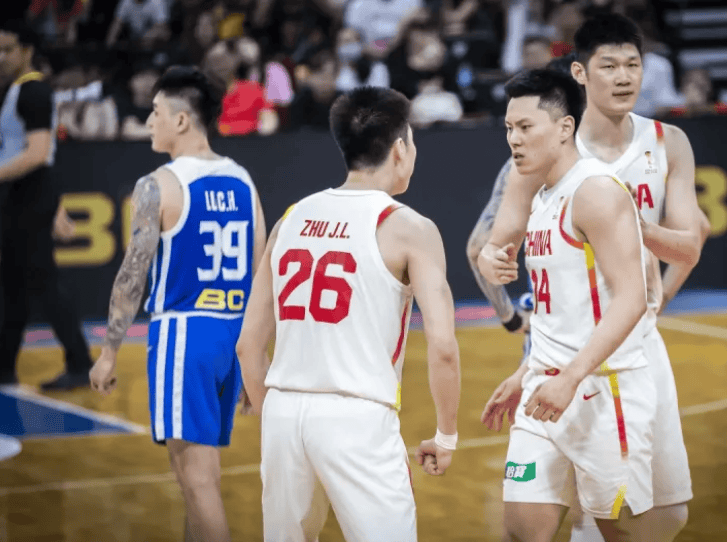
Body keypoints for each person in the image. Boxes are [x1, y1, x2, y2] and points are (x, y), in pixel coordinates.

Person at [481, 13, 711, 542]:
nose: (624, 77)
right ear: (581, 73)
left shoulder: (664, 142)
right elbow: (502, 239)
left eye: (633, 64)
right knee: (532, 524)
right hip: (560, 353)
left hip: (628, 349)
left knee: (661, 514)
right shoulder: (544, 149)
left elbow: (689, 246)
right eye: (610, 65)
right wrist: (495, 259)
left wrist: (629, 235)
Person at [235, 86, 461, 542]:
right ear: (400, 149)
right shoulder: (409, 227)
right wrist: (447, 435)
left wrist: (277, 416)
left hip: (282, 412)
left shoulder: (291, 217)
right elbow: (442, 346)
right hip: (357, 416)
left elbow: (247, 346)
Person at [89, 65, 266, 542]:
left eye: (155, 112)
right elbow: (260, 275)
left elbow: (131, 276)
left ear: (182, 120)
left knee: (196, 481)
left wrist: (108, 352)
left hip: (185, 335)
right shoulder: (243, 179)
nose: (149, 121)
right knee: (204, 478)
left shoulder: (158, 184)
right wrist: (255, 357)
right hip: (231, 335)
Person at [478, 68, 655, 542]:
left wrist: (571, 377)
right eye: (509, 128)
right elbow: (558, 311)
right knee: (521, 531)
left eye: (525, 127)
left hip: (604, 390)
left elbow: (633, 298)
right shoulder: (540, 195)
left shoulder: (595, 191)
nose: (514, 139)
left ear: (564, 128)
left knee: (618, 532)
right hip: (544, 387)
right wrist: (526, 373)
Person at [0, 19, 93, 390]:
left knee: (42, 282)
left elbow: (38, 154)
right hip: (23, 196)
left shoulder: (33, 92)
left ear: (26, 51)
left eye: (7, 49)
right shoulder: (15, 91)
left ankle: (80, 362)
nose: (0, 57)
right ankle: (4, 367)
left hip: (29, 195)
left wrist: (49, 205)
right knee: (13, 285)